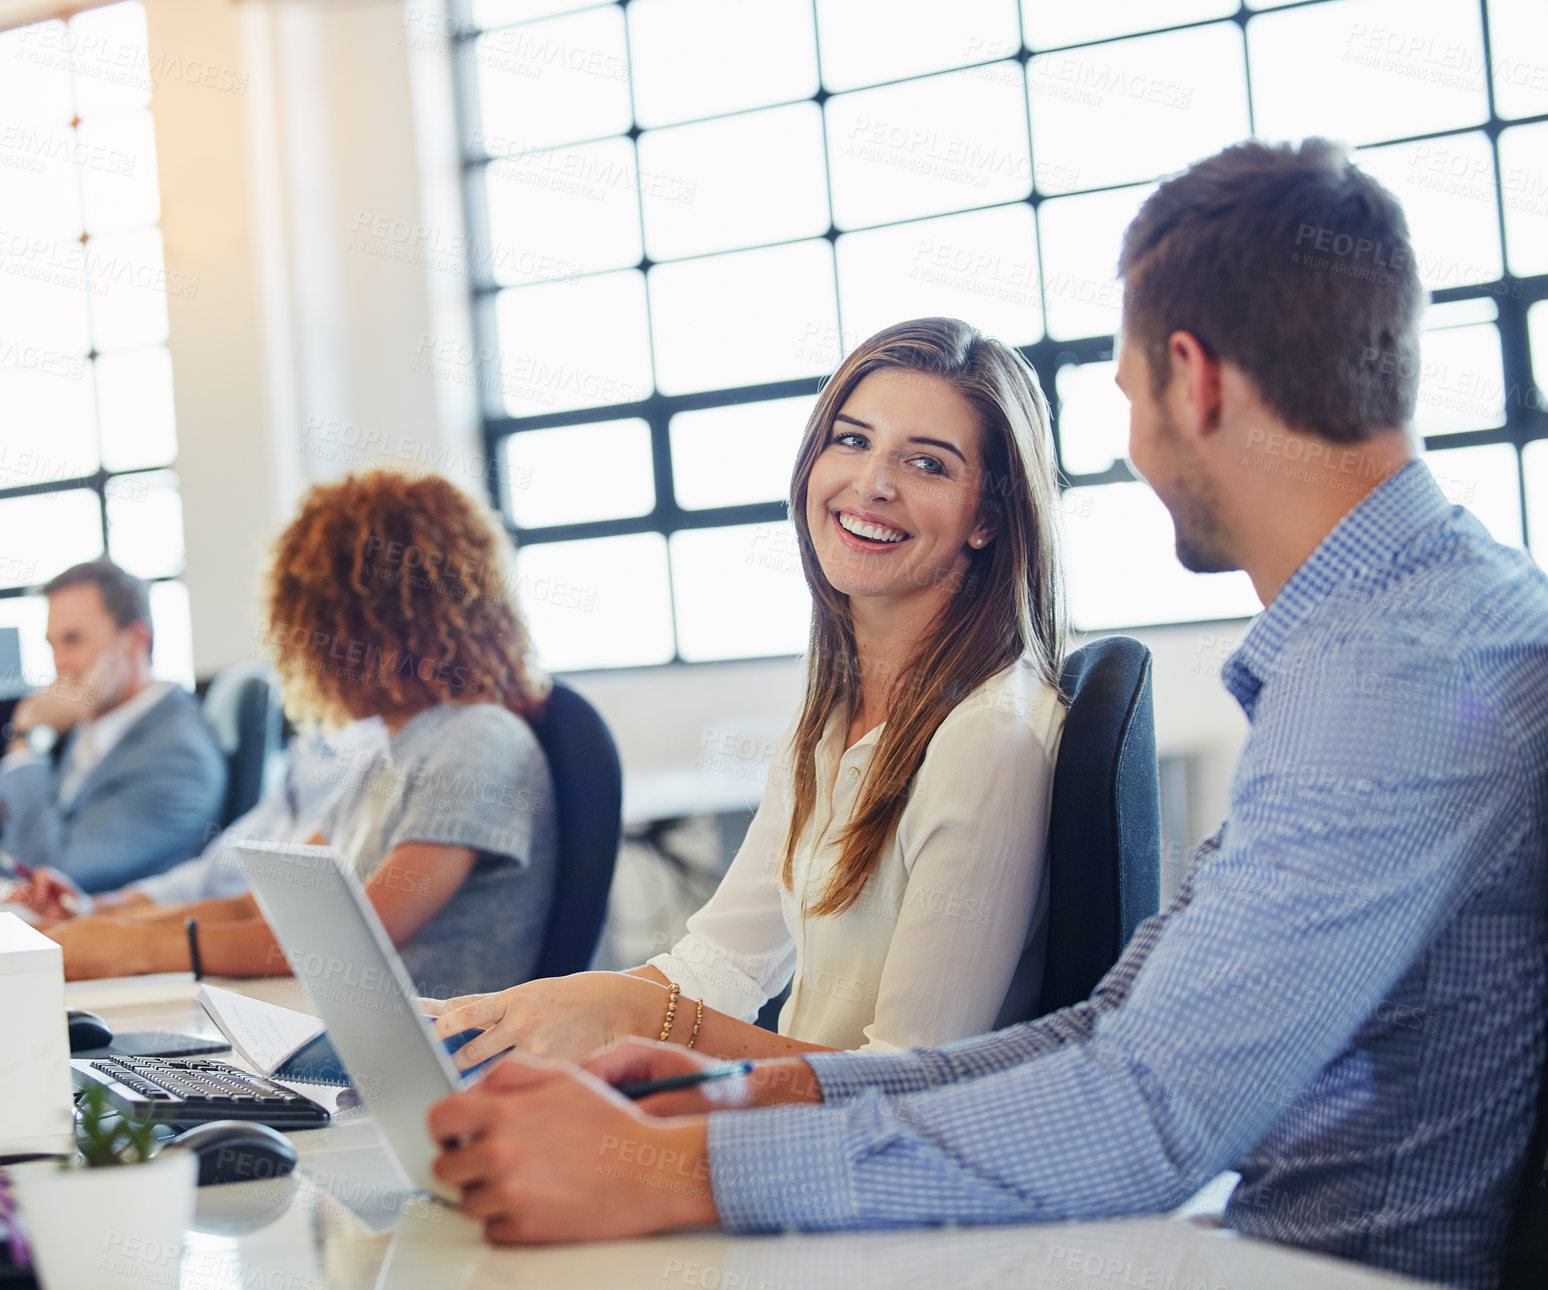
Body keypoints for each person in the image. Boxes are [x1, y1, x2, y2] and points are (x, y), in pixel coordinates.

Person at [424, 139, 1548, 1290]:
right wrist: (746, 1091)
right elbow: (1107, 1036)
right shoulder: (1396, 636)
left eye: (1125, 396)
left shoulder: (1398, 674)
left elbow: (1144, 1118)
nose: (1132, 449)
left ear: (1192, 380)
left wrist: (674, 1172)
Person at [425, 317, 1068, 1068]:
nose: (873, 484)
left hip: (853, 1157)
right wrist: (524, 1010)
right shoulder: (833, 714)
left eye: (927, 464)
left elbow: (907, 1076)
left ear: (988, 517)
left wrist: (632, 1014)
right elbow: (721, 968)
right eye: (852, 440)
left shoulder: (988, 736)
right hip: (776, 1122)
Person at [42, 471, 559, 999]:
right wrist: (96, 925)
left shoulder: (476, 740)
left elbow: (355, 943)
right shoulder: (388, 754)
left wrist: (139, 951)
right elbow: (256, 904)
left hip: (435, 1059)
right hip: (323, 1035)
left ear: (370, 624)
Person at [0, 560, 226, 892]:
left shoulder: (176, 756)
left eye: (73, 640)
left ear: (135, 639)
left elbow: (53, 875)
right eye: (52, 645)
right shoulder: (95, 721)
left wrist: (24, 738)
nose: (59, 663)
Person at [12, 718, 385, 918]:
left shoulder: (380, 757)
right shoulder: (320, 737)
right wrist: (95, 910)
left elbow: (268, 912)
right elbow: (216, 872)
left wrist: (119, 940)